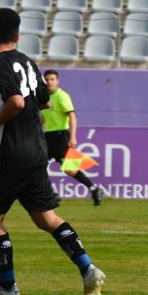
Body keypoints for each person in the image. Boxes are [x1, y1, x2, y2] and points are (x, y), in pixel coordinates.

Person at [0, 8, 106, 295]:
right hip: (37, 152)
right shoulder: (28, 62)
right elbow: (42, 101)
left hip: (9, 156)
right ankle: (88, 268)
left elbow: (17, 102)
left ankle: (7, 287)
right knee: (46, 218)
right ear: (17, 36)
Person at [42, 70, 104, 206]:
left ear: (57, 81)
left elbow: (72, 116)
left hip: (60, 136)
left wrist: (73, 136)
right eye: (46, 79)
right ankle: (52, 193)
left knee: (68, 169)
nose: (49, 82)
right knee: (38, 165)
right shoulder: (44, 97)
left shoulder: (62, 96)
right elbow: (43, 117)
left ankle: (94, 189)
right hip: (47, 136)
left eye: (52, 79)